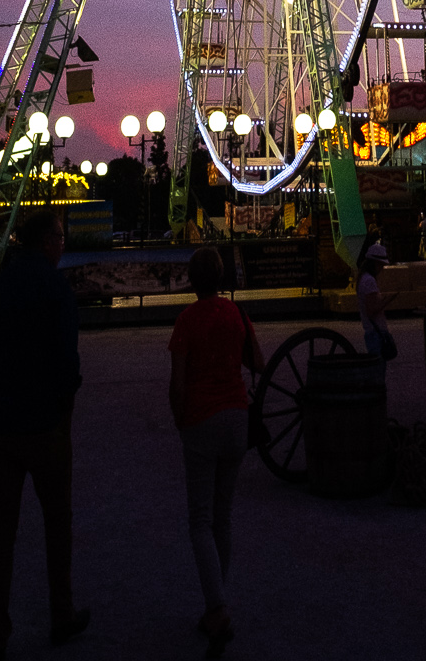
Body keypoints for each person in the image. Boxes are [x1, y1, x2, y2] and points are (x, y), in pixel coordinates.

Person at [0, 208, 88, 658]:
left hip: (2, 424)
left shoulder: (1, 286)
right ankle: (62, 614)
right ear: (45, 242)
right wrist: (63, 410)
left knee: (2, 531)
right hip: (44, 425)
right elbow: (66, 360)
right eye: (60, 237)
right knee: (58, 525)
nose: (63, 244)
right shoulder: (56, 288)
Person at [169, 245, 264, 656]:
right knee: (222, 516)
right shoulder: (237, 315)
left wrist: (180, 419)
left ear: (192, 280)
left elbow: (178, 382)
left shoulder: (187, 320)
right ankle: (217, 600)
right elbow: (259, 363)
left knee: (199, 520)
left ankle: (218, 605)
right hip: (237, 416)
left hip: (202, 420)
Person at [356, 238, 397, 360]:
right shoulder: (369, 281)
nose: (382, 268)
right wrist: (388, 300)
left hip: (371, 332)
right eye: (381, 265)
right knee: (379, 368)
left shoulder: (363, 279)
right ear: (375, 263)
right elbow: (372, 309)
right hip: (376, 332)